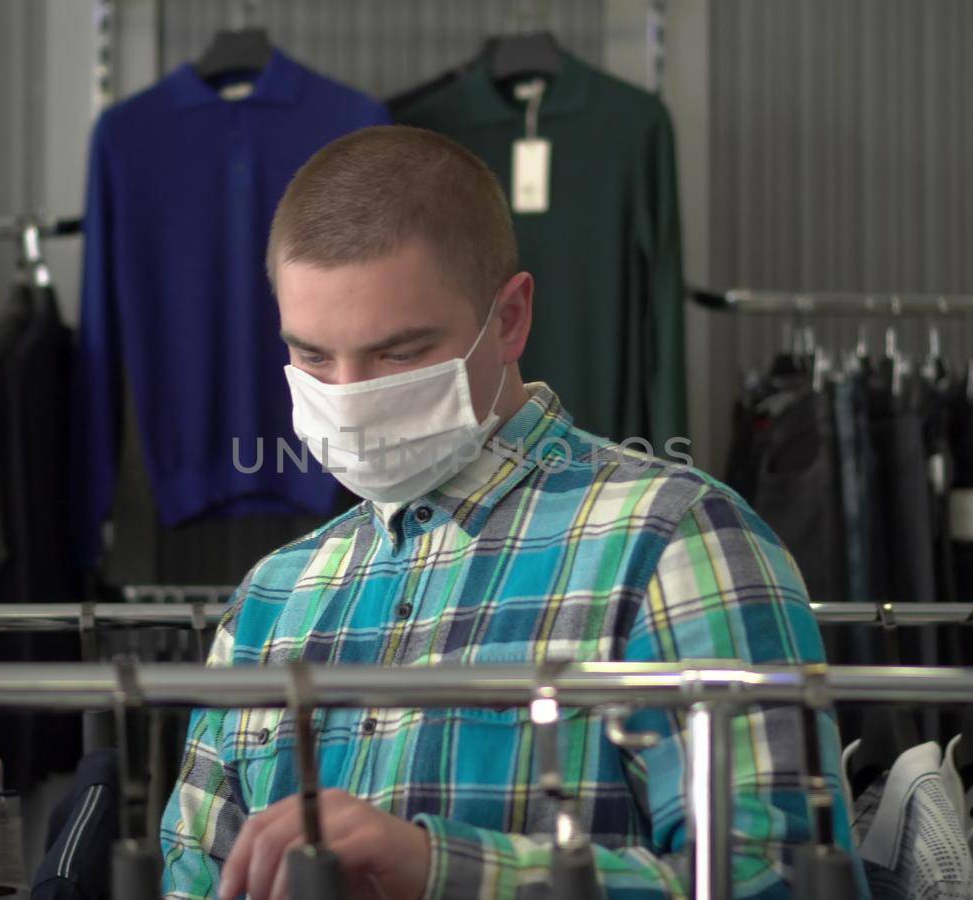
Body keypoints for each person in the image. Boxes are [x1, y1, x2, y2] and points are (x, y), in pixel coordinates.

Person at [160, 125, 846, 900]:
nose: (348, 399)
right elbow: (192, 877)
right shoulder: (268, 602)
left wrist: (434, 869)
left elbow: (782, 879)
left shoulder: (677, 543)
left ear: (511, 318)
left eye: (399, 353)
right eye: (314, 356)